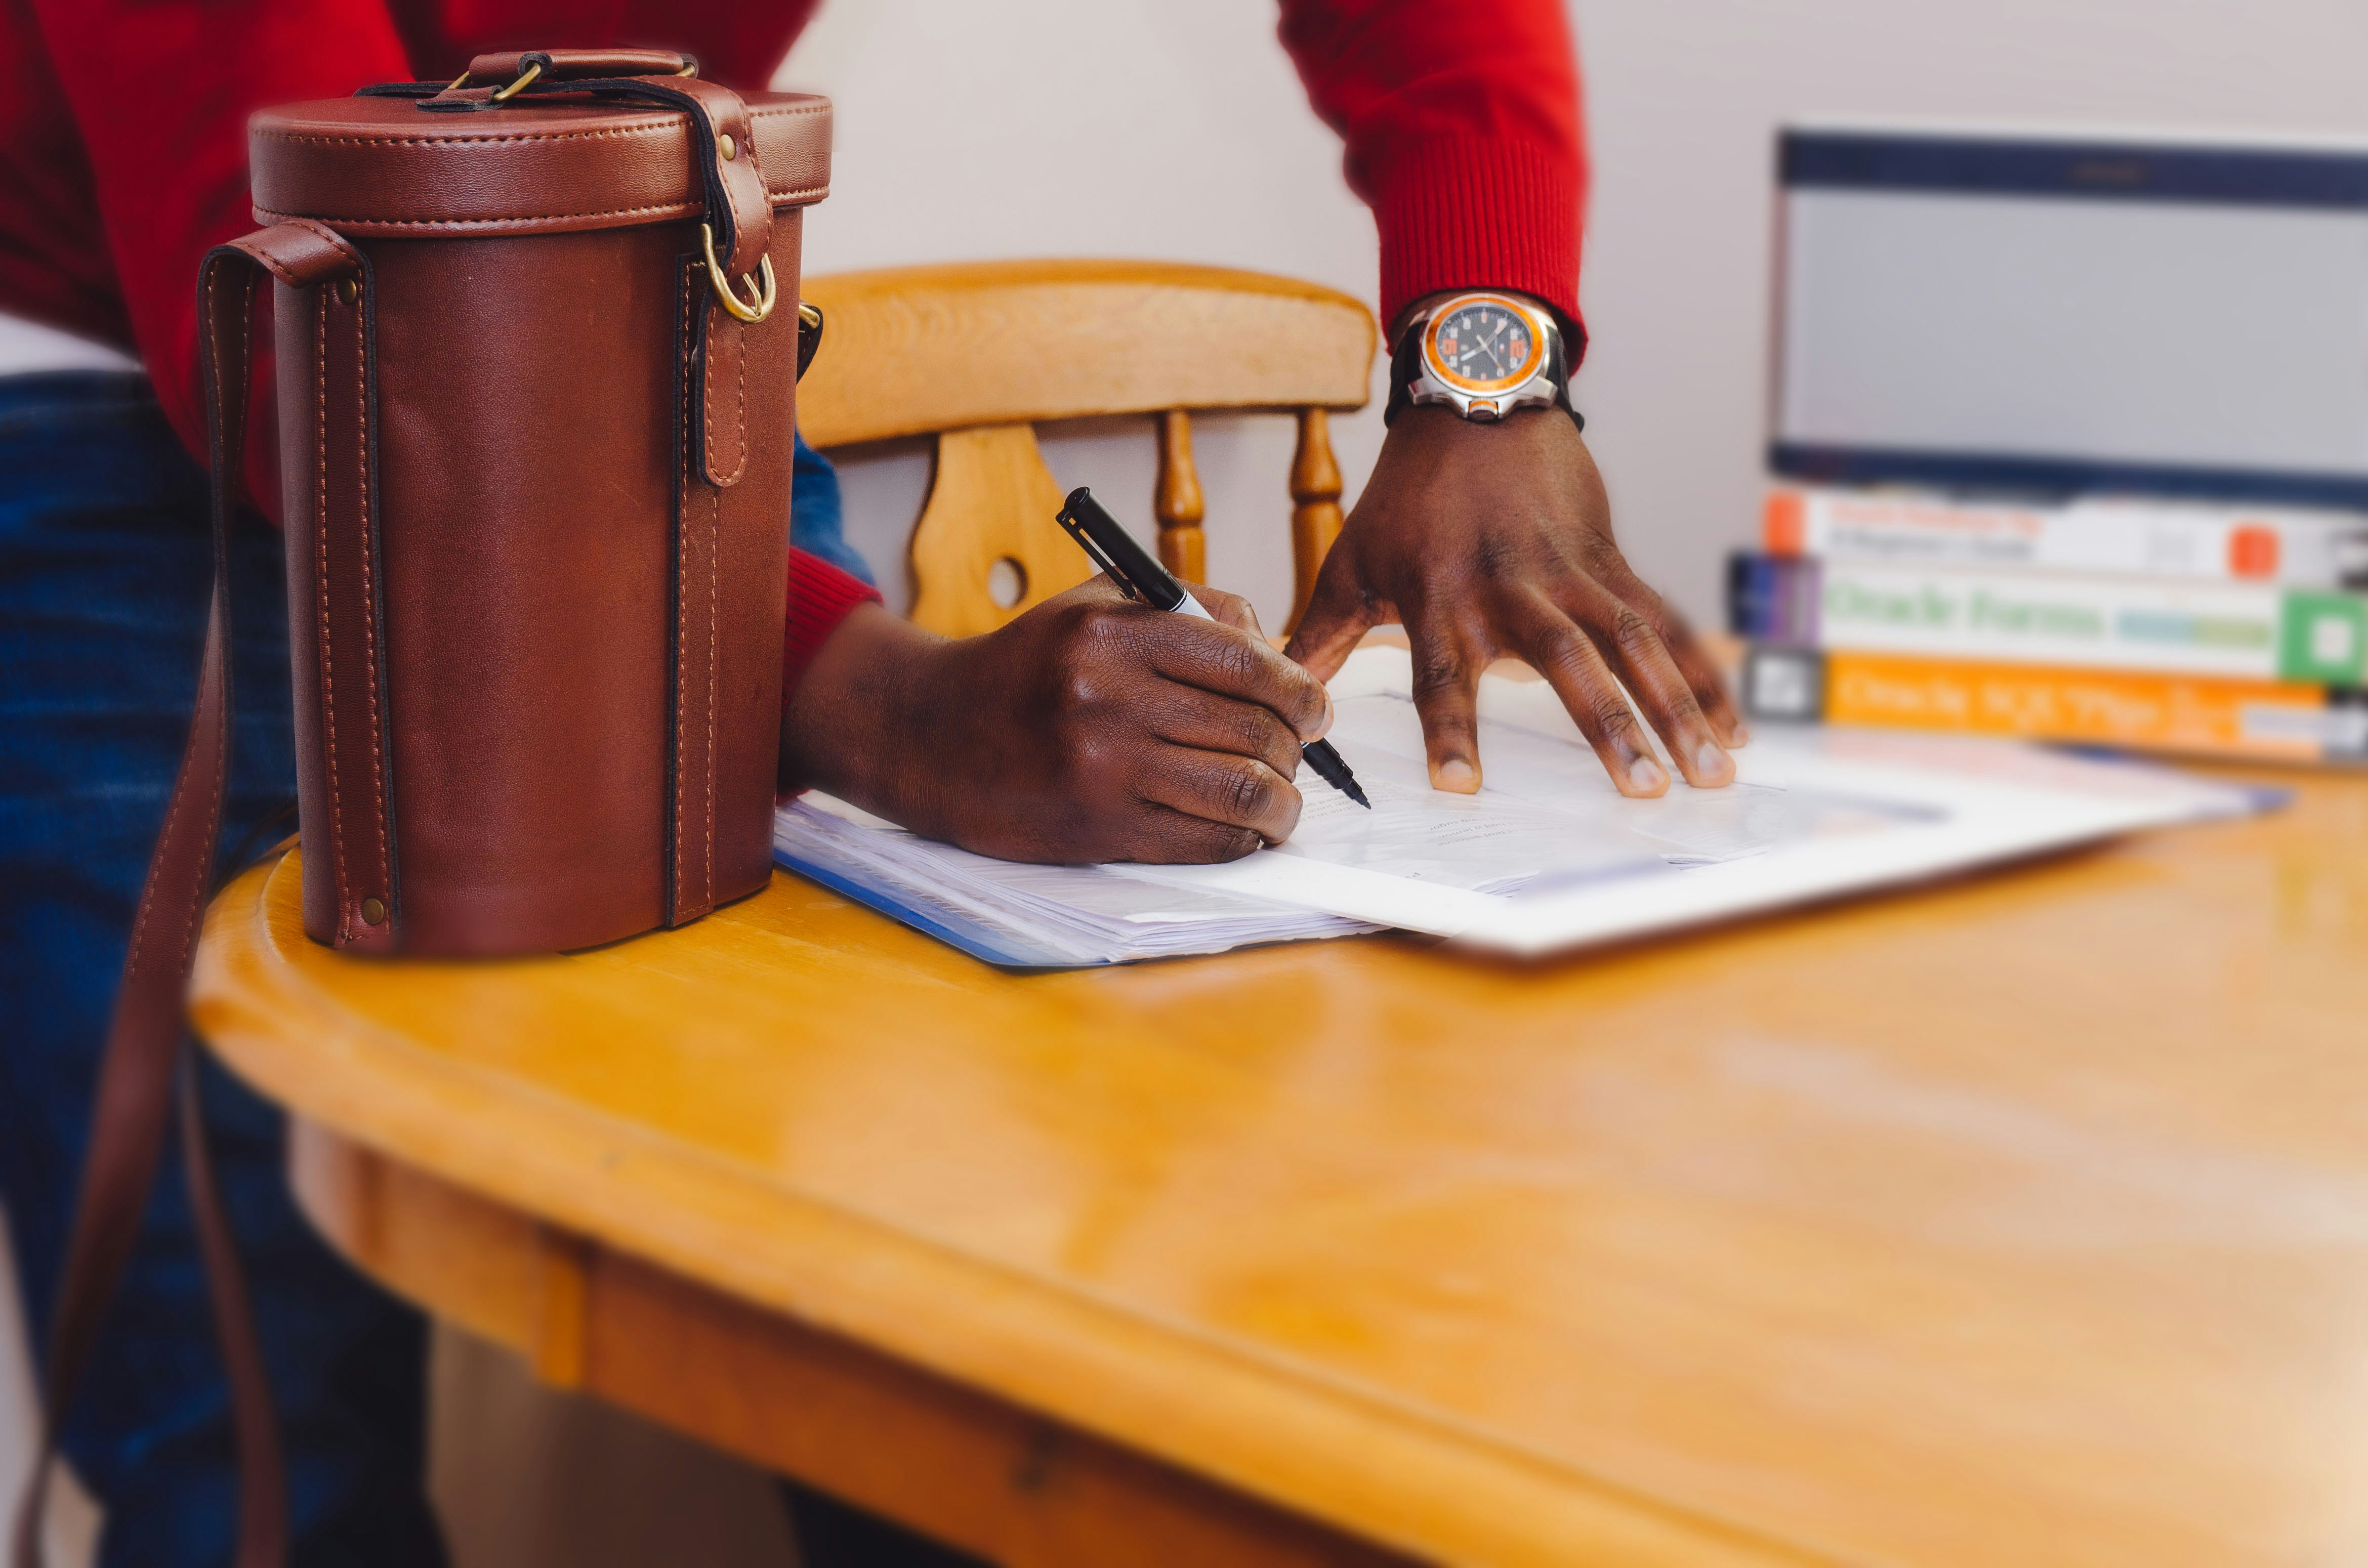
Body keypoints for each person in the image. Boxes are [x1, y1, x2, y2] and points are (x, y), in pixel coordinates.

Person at [0, 1, 1746, 1562]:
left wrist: (1482, 361)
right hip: (122, 377)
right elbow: (278, 292)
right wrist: (899, 714)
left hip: (626, 290)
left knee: (882, 1259)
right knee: (239, 1445)